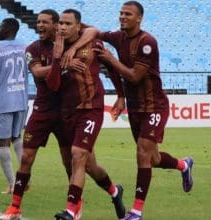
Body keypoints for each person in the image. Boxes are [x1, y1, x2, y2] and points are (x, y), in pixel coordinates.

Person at [62, 1, 194, 219]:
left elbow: (134, 76)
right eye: (121, 13)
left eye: (128, 14)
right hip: (135, 107)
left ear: (139, 18)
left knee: (142, 154)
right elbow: (93, 30)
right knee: (153, 158)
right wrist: (70, 29)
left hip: (154, 106)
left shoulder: (147, 42)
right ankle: (183, 165)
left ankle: (136, 212)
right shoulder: (117, 36)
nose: (122, 17)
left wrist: (111, 59)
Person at [0, 9, 87, 220]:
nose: (39, 26)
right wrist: (62, 61)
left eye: (45, 22)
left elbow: (92, 32)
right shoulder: (33, 48)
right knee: (26, 157)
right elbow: (37, 72)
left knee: (69, 161)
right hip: (42, 111)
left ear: (57, 25)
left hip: (66, 111)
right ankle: (14, 208)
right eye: (38, 22)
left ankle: (74, 205)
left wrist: (67, 56)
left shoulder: (73, 44)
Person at [47, 9, 125, 220]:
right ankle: (114, 191)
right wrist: (58, 60)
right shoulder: (55, 47)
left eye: (67, 23)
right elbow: (53, 85)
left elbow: (111, 68)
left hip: (91, 109)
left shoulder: (93, 43)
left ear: (78, 26)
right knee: (89, 165)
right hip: (67, 112)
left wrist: (120, 95)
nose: (62, 27)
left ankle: (72, 210)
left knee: (77, 155)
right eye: (60, 23)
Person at [0, 18, 28, 196]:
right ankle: (25, 181)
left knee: (3, 143)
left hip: (3, 101)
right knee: (17, 138)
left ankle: (13, 184)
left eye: (0, 26)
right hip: (21, 99)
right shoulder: (25, 48)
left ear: (8, 29)